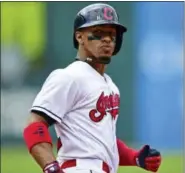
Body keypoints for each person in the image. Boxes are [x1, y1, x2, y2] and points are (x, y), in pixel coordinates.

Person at [23, 3, 162, 173]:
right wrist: (51, 167)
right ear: (79, 37)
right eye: (98, 33)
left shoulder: (110, 85)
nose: (107, 39)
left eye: (111, 34)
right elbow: (34, 124)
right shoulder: (69, 76)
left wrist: (135, 157)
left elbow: (103, 140)